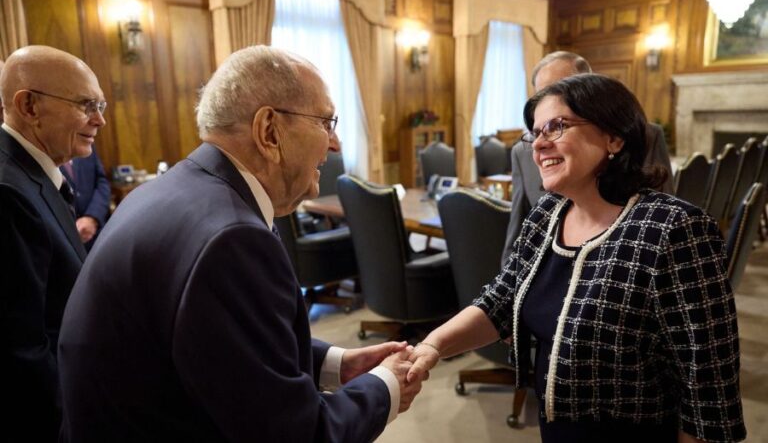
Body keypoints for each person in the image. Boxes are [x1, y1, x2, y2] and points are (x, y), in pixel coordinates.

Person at [58, 45, 423, 442]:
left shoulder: (175, 188)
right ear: (269, 131)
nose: (334, 144)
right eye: (326, 122)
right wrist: (386, 385)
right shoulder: (233, 239)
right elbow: (299, 435)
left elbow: (219, 345)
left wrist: (336, 364)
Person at [407, 74, 745, 443]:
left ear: (614, 137)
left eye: (557, 127)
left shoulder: (674, 228)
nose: (539, 144)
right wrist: (432, 346)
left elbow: (708, 379)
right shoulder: (548, 213)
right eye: (535, 132)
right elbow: (501, 299)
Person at [0, 45, 106, 441]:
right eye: (86, 105)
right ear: (29, 106)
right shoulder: (8, 193)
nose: (99, 120)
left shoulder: (35, 173)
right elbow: (22, 350)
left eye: (101, 104)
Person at [502, 51, 673, 264]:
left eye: (565, 87)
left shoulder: (670, 226)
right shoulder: (539, 212)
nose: (539, 143)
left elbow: (661, 205)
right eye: (543, 93)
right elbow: (517, 230)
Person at [60, 147, 110, 250]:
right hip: (66, 243)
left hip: (98, 234)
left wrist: (92, 217)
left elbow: (101, 182)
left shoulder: (85, 141)